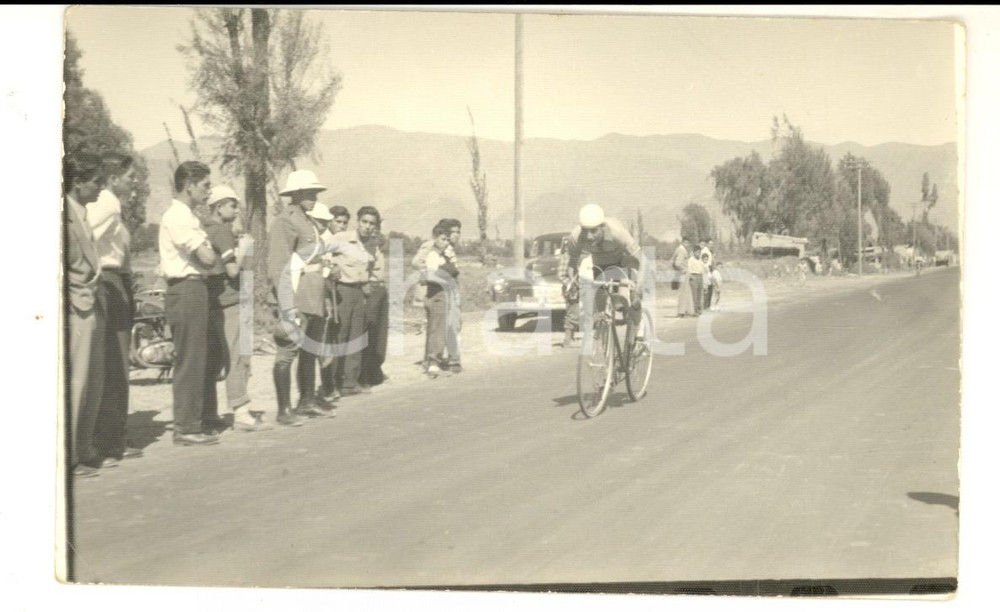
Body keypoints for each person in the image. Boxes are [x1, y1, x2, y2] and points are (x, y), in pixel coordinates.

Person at [158, 161, 225, 446]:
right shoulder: (179, 216)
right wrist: (210, 250)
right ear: (189, 185)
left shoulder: (189, 215)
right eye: (205, 185)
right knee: (190, 359)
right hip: (186, 288)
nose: (209, 191)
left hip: (195, 288)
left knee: (199, 357)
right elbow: (208, 258)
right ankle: (185, 426)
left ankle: (193, 420)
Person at [267, 170, 337, 425]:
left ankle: (306, 400)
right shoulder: (285, 222)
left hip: (314, 297)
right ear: (295, 195)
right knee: (287, 352)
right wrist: (288, 306)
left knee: (310, 351)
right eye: (309, 193)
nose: (314, 197)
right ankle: (284, 410)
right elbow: (279, 266)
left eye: (315, 193)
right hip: (297, 298)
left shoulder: (307, 222)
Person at [88, 152, 143, 466]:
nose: (133, 181)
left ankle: (107, 436)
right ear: (113, 178)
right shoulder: (109, 204)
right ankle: (110, 441)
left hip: (113, 280)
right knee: (116, 364)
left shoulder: (103, 203)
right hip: (108, 280)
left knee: (109, 362)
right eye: (129, 176)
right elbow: (85, 239)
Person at [204, 186, 269, 432]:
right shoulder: (221, 231)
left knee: (214, 361)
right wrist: (244, 249)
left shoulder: (206, 230)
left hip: (213, 301)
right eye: (232, 205)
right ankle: (240, 410)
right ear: (218, 207)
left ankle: (208, 413)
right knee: (238, 357)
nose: (236, 209)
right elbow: (232, 270)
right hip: (230, 300)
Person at [64, 152, 108, 477]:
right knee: (76, 384)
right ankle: (69, 458)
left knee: (92, 381)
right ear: (78, 182)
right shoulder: (61, 216)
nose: (101, 188)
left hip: (92, 305)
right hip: (75, 308)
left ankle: (84, 448)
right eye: (97, 182)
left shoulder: (81, 214)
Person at [559, 204, 644, 337]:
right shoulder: (576, 237)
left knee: (625, 297)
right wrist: (573, 283)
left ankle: (639, 328)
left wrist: (638, 287)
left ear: (603, 227)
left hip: (624, 258)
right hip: (601, 263)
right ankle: (603, 337)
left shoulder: (618, 233)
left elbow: (643, 260)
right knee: (600, 308)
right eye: (585, 231)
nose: (589, 236)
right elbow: (572, 264)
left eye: (593, 231)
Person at [322, 206, 381, 397]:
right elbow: (321, 253)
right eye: (364, 222)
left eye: (372, 223)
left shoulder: (372, 243)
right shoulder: (341, 238)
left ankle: (350, 383)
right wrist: (330, 268)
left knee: (357, 337)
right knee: (339, 335)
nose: (368, 226)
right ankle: (331, 384)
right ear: (358, 221)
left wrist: (367, 283)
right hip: (342, 291)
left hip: (360, 291)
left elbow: (372, 266)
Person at [412, 218, 462, 371]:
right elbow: (417, 262)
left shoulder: (449, 249)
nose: (455, 236)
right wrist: (434, 273)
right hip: (435, 290)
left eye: (457, 232)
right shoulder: (431, 247)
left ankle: (444, 359)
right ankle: (434, 360)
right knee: (438, 326)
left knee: (449, 324)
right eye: (452, 232)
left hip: (449, 290)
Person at [422, 223, 460, 378]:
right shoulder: (432, 255)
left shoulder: (444, 255)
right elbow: (430, 276)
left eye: (447, 240)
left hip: (445, 294)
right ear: (435, 239)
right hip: (437, 294)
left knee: (443, 328)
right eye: (442, 239)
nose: (445, 242)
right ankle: (433, 362)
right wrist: (447, 281)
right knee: (437, 329)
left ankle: (437, 359)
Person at [359, 208, 390, 388]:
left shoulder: (376, 242)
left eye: (375, 225)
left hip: (380, 288)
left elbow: (382, 239)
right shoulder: (363, 244)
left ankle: (374, 369)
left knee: (379, 334)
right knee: (368, 332)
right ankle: (365, 373)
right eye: (367, 223)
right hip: (369, 289)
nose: (371, 228)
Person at [558, 235, 581, 348]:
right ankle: (567, 340)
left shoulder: (578, 256)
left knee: (576, 313)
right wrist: (571, 285)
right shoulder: (566, 257)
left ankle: (571, 337)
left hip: (580, 287)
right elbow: (561, 275)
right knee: (571, 313)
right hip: (571, 289)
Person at [673, 236, 696, 317]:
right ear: (682, 242)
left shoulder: (681, 249)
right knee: (683, 292)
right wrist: (684, 270)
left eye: (688, 243)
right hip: (683, 274)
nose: (687, 244)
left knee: (688, 292)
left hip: (683, 273)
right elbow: (677, 263)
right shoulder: (681, 250)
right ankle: (681, 312)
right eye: (686, 242)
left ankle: (690, 311)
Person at [686, 245, 707, 316]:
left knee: (699, 295)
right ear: (694, 252)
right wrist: (691, 277)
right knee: (694, 295)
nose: (698, 253)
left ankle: (699, 309)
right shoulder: (690, 260)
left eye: (699, 252)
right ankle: (694, 311)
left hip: (700, 277)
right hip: (694, 277)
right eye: (697, 252)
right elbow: (688, 269)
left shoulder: (700, 260)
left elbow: (703, 268)